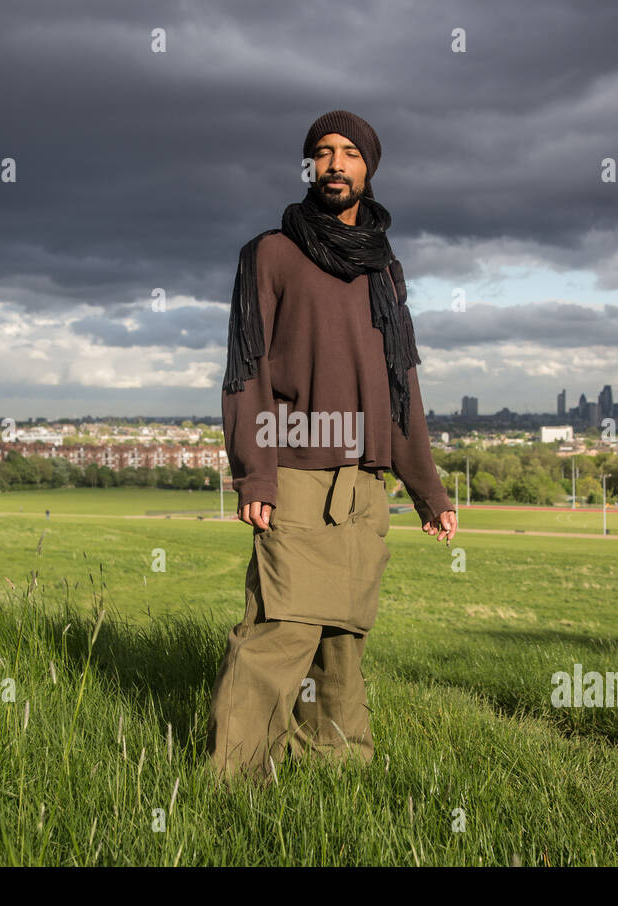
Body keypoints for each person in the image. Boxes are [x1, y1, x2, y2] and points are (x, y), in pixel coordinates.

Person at [208, 110, 457, 784]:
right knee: (279, 633)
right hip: (294, 470)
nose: (336, 164)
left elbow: (400, 386)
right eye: (323, 152)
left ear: (368, 168)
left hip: (364, 484)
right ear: (309, 166)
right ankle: (231, 781)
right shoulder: (271, 253)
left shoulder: (383, 268)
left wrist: (427, 491)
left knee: (343, 641)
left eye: (350, 152)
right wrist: (254, 475)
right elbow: (247, 369)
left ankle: (338, 773)